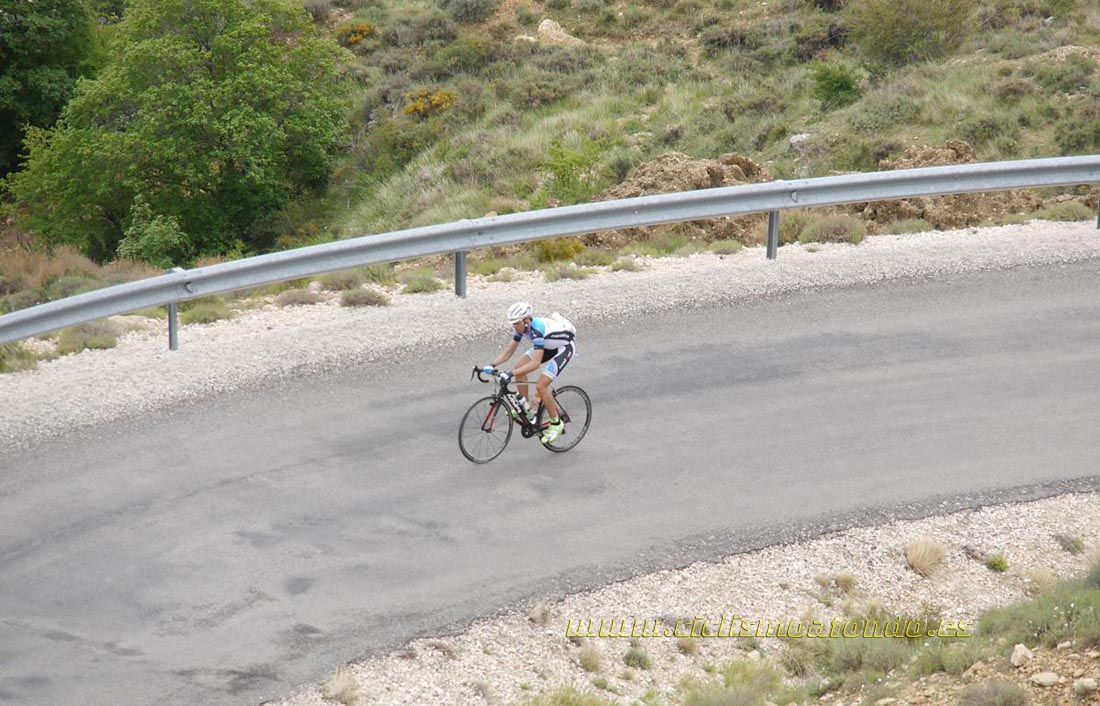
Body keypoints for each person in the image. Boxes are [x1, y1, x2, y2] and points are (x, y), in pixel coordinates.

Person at [482, 301, 576, 445]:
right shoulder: (522, 328)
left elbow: (535, 364)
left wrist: (510, 374)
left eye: (516, 323)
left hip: (564, 348)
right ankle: (524, 407)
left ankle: (556, 423)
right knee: (519, 367)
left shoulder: (537, 331)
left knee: (542, 385)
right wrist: (491, 365)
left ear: (526, 321)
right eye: (512, 323)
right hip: (547, 346)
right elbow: (508, 353)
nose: (514, 326)